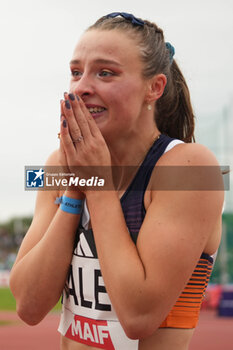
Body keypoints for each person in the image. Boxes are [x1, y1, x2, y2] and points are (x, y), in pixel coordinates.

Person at [10, 12, 224, 350]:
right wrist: (74, 190)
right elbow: (28, 305)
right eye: (76, 72)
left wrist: (97, 183)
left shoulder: (189, 167)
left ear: (154, 88)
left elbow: (138, 316)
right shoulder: (59, 165)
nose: (81, 88)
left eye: (105, 73)